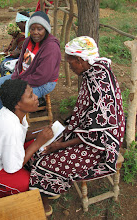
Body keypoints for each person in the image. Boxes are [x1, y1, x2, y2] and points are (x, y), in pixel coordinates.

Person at [28, 36, 125, 215]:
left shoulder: (98, 82)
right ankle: (51, 189)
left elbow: (96, 132)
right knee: (43, 147)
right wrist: (67, 125)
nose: (69, 66)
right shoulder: (94, 71)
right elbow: (88, 112)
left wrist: (62, 144)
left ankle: (45, 205)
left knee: (44, 161)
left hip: (101, 146)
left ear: (80, 60)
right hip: (88, 133)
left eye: (70, 61)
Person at [0, 79, 54, 211]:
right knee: (27, 183)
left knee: (34, 144)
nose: (36, 97)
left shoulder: (12, 113)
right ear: (18, 104)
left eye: (33, 93)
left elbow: (24, 135)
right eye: (30, 96)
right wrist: (38, 141)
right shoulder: (10, 128)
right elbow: (13, 168)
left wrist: (42, 130)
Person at [0, 11, 61, 112]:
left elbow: (42, 76)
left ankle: (14, 122)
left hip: (43, 83)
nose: (35, 32)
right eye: (32, 28)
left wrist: (19, 82)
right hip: (24, 76)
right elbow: (20, 63)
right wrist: (17, 75)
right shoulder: (28, 41)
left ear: (46, 29)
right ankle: (1, 116)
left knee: (12, 96)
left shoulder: (51, 47)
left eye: (39, 29)